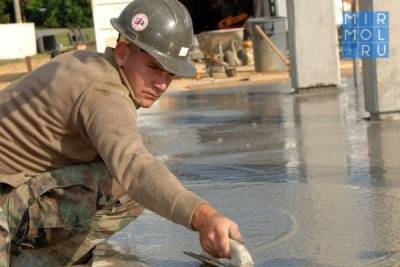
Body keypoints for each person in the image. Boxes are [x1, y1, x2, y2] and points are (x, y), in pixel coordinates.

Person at [0, 0, 244, 266]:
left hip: (10, 185)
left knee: (118, 181)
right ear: (122, 52)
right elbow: (136, 168)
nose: (162, 84)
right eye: (153, 67)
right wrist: (203, 216)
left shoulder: (86, 63)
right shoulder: (105, 95)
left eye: (170, 73)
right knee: (127, 185)